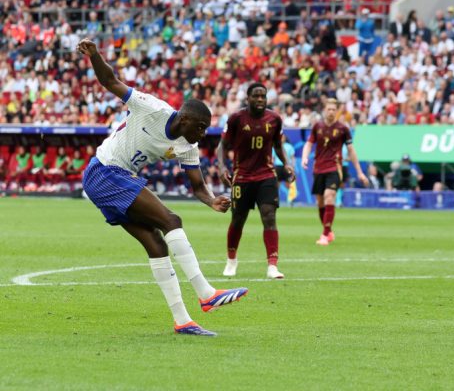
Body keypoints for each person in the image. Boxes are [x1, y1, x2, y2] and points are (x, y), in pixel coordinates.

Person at [76, 38, 247, 337]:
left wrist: (211, 201)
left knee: (156, 244)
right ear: (184, 119)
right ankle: (206, 293)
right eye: (200, 127)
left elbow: (197, 186)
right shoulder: (151, 108)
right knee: (171, 221)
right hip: (104, 171)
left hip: (115, 178)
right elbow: (110, 80)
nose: (203, 133)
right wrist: (95, 55)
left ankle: (183, 321)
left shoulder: (187, 146)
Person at [217, 83, 295, 279]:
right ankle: (231, 261)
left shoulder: (275, 119)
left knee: (269, 217)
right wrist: (222, 167)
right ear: (248, 98)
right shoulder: (236, 118)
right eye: (256, 96)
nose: (260, 99)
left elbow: (278, 145)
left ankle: (272, 266)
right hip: (242, 176)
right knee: (238, 219)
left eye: (263, 96)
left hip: (266, 176)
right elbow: (222, 146)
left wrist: (286, 163)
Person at [301, 99, 368, 245]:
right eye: (329, 109)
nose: (331, 112)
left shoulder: (343, 128)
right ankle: (329, 232)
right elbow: (309, 144)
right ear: (324, 110)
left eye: (333, 109)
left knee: (329, 196)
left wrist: (360, 172)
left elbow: (351, 150)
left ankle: (324, 235)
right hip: (318, 168)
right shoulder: (317, 126)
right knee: (320, 202)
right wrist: (305, 157)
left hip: (334, 167)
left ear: (337, 111)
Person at [273, 133, 298, 206]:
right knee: (276, 184)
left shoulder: (289, 146)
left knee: (289, 184)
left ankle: (291, 199)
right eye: (280, 137)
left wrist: (293, 165)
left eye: (283, 137)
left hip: (287, 167)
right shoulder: (276, 146)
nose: (282, 139)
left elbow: (293, 157)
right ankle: (275, 200)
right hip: (278, 166)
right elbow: (273, 157)